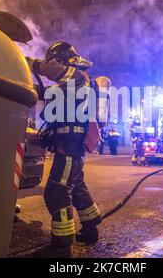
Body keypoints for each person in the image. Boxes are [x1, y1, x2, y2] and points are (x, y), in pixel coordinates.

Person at [26, 41, 105, 257]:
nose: (52, 64)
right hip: (71, 144)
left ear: (62, 60)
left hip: (70, 145)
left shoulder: (77, 76)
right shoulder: (72, 85)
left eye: (54, 61)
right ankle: (90, 230)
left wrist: (28, 63)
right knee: (77, 186)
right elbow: (44, 93)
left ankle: (61, 246)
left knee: (57, 191)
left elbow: (51, 71)